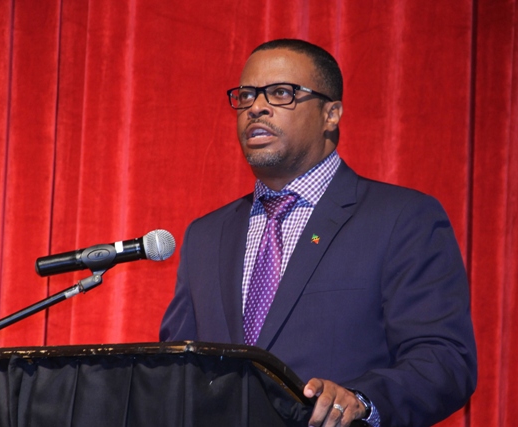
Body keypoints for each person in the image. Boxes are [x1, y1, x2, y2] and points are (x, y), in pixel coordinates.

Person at [160, 39, 477, 427]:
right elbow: (176, 369)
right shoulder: (206, 236)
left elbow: (444, 360)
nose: (256, 107)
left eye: (281, 93)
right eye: (246, 96)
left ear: (331, 114)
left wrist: (362, 400)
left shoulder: (402, 218)